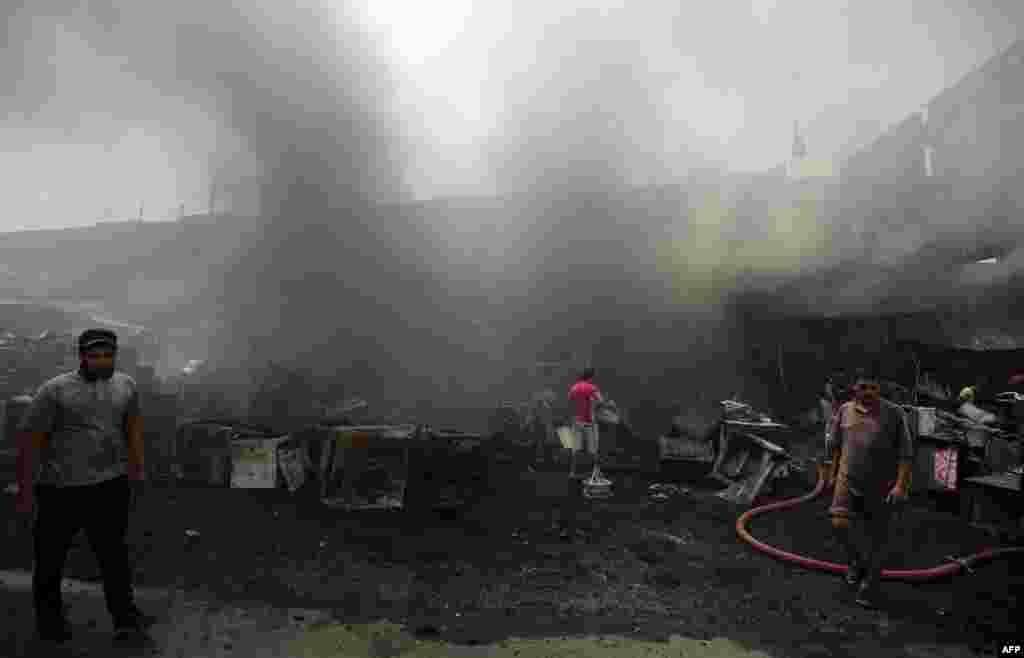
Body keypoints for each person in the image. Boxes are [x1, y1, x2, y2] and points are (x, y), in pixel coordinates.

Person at [15, 329, 156, 646]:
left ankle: (125, 619)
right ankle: (50, 623)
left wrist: (137, 468)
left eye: (107, 355)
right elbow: (29, 441)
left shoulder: (125, 385)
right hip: (60, 489)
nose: (101, 361)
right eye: (94, 355)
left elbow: (133, 426)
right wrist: (25, 491)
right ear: (81, 356)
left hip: (109, 485)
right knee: (51, 558)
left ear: (115, 355)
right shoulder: (56, 391)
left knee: (114, 556)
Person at [826, 365, 914, 609]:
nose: (867, 392)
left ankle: (871, 585)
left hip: (880, 484)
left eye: (873, 388)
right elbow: (835, 445)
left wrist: (900, 486)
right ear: (854, 387)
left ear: (879, 389)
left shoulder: (894, 414)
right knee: (838, 525)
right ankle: (855, 562)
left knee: (878, 538)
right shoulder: (844, 410)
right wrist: (831, 473)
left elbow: (906, 454)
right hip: (847, 479)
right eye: (863, 387)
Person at [568, 367, 604, 480]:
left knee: (576, 449)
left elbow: (570, 402)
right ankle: (596, 473)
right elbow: (601, 401)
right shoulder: (592, 387)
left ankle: (573, 472)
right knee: (593, 449)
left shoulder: (574, 387)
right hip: (589, 422)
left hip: (577, 421)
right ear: (591, 377)